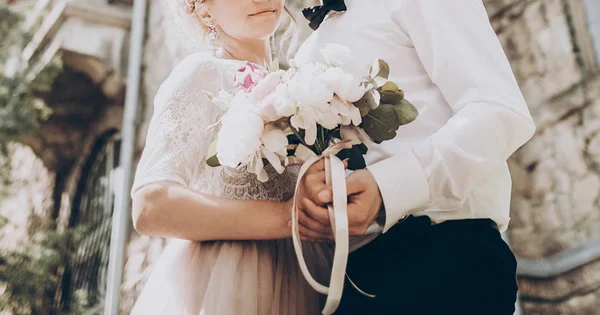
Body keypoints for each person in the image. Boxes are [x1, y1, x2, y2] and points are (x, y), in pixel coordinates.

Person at [295, 0, 536, 314]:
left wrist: (388, 188)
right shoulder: (304, 48)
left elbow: (500, 112)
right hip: (349, 279)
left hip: (447, 259)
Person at [129, 0, 332, 314]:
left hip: (308, 277)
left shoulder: (303, 83)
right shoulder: (203, 73)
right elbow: (151, 206)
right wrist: (287, 218)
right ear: (205, 10)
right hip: (227, 284)